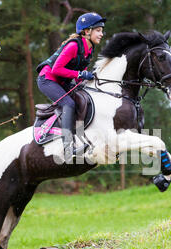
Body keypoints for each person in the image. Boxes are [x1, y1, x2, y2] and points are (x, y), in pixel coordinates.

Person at [36, 12, 106, 163]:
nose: (102, 34)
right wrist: (80, 74)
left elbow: (76, 73)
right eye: (98, 30)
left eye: (102, 30)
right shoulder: (73, 45)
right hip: (47, 79)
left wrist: (84, 77)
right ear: (87, 31)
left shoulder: (89, 48)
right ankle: (68, 147)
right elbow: (56, 69)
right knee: (69, 103)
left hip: (62, 80)